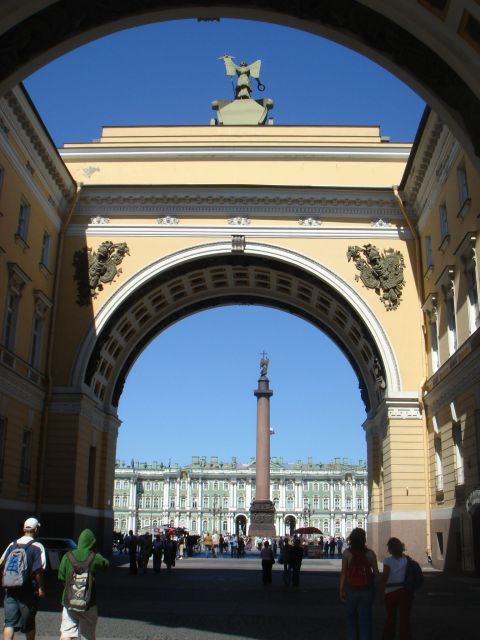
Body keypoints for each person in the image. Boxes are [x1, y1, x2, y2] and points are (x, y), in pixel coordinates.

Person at [58, 528, 108, 640]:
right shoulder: (94, 557)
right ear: (93, 543)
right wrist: (96, 553)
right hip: (89, 602)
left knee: (67, 633)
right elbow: (106, 564)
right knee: (88, 634)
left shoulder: (67, 556)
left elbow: (61, 577)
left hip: (68, 600)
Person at [0, 517, 46, 640]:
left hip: (11, 589)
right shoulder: (37, 546)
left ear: (24, 529)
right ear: (36, 529)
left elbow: (2, 563)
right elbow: (38, 570)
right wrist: (41, 588)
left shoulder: (12, 544)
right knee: (29, 624)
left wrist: (6, 581)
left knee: (9, 623)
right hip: (28, 590)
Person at [339, 527, 379, 640]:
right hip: (367, 589)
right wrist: (377, 589)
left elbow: (343, 572)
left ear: (351, 539)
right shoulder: (370, 554)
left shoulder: (347, 553)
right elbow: (376, 574)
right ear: (364, 539)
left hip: (351, 589)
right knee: (365, 620)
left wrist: (341, 589)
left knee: (351, 618)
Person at [381, 537, 413, 640]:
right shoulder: (406, 560)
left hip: (390, 592)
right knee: (404, 619)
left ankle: (389, 637)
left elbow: (385, 577)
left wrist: (381, 591)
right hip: (404, 591)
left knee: (391, 618)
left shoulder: (387, 561)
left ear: (390, 549)